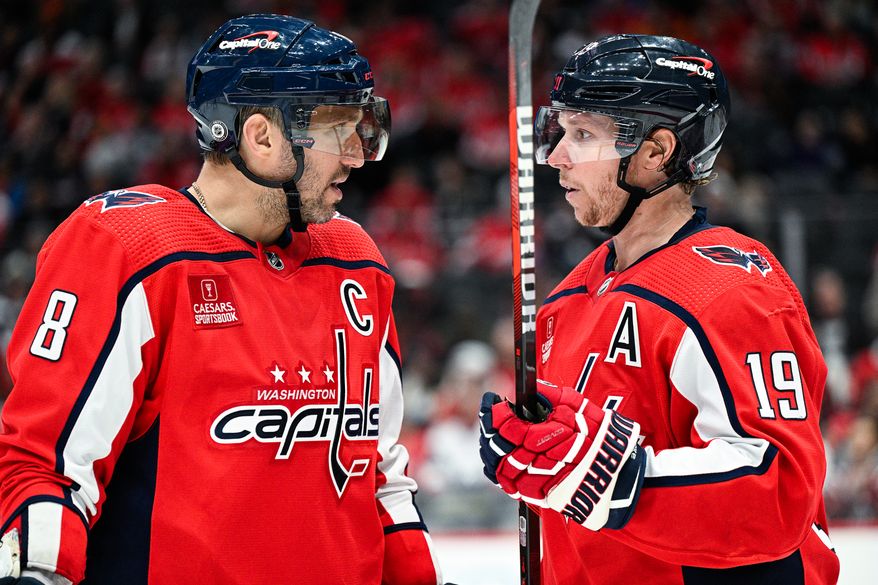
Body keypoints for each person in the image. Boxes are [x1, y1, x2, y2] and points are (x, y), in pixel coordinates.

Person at [0, 14, 443, 585]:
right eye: (339, 129)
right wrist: (39, 574)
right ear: (261, 136)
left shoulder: (354, 258)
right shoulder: (129, 248)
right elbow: (46, 464)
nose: (357, 155)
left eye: (362, 128)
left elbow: (378, 474)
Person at [478, 34, 840, 584]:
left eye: (582, 134)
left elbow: (778, 490)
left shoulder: (734, 291)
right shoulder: (567, 300)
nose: (556, 156)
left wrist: (601, 475)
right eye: (561, 131)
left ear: (655, 152)